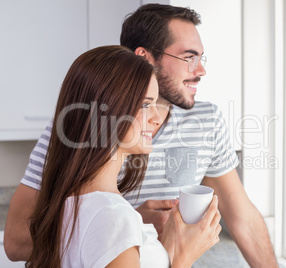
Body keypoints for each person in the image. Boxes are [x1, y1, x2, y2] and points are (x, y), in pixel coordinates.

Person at [4, 4, 278, 267]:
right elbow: (16, 243)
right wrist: (130, 229)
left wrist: (143, 237)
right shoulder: (76, 127)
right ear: (143, 58)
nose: (200, 70)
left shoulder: (207, 121)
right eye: (188, 57)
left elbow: (243, 219)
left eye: (201, 58)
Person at [25, 45, 221, 268]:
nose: (157, 118)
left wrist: (167, 250)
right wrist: (185, 256)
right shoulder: (112, 217)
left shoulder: (73, 203)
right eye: (146, 104)